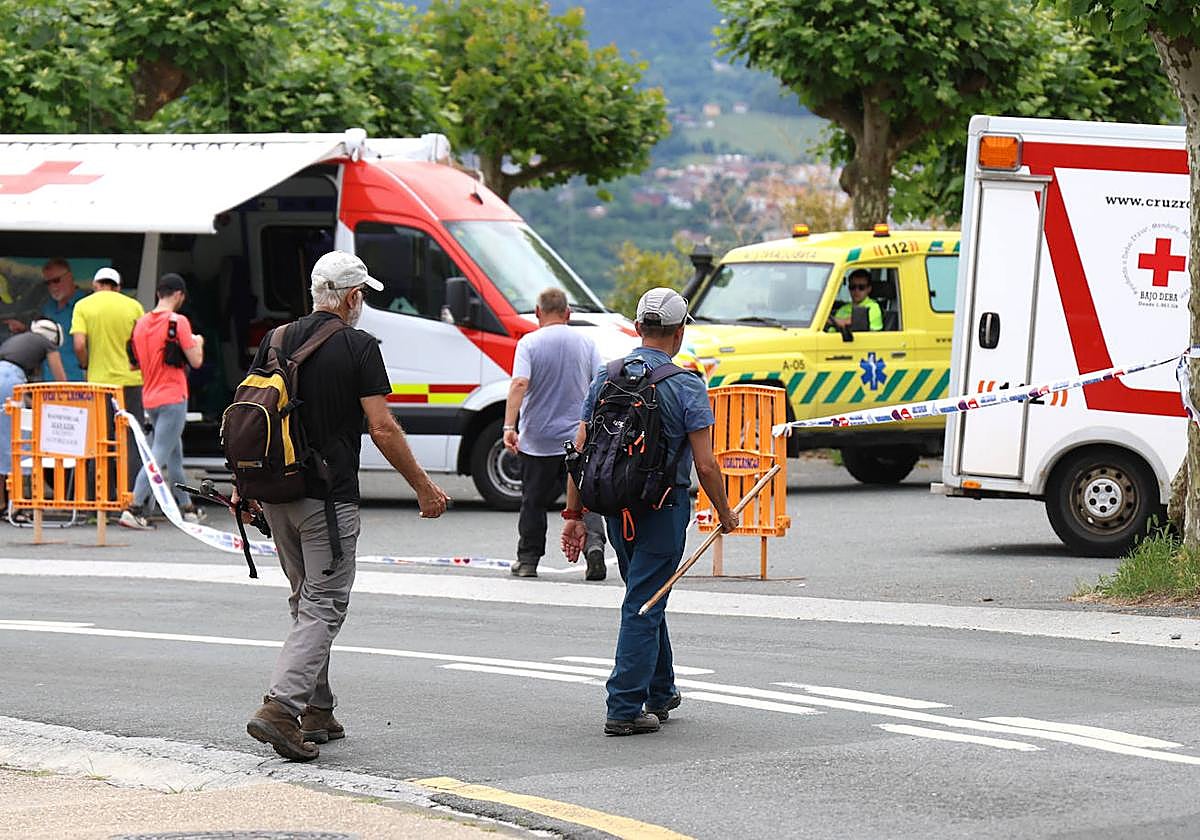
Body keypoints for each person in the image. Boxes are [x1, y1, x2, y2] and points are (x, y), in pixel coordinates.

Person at [243, 250, 450, 762]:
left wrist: (246, 490)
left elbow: (251, 413)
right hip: (326, 500)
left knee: (304, 602)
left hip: (276, 495)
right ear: (353, 298)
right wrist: (423, 486)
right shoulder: (359, 347)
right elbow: (381, 427)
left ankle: (318, 709)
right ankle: (281, 709)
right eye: (363, 297)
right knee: (324, 605)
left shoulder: (274, 340)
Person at [561, 287, 738, 737]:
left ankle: (661, 691)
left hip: (617, 506)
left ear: (639, 328)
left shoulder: (606, 378)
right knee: (644, 601)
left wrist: (574, 514)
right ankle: (623, 706)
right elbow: (706, 463)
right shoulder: (686, 385)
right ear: (679, 333)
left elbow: (579, 450)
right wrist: (726, 512)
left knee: (646, 594)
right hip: (662, 508)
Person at [503, 287, 608, 580]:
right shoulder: (586, 342)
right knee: (585, 498)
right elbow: (600, 384)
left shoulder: (529, 343)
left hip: (537, 440)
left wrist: (509, 426)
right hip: (577, 438)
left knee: (533, 502)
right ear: (568, 313)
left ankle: (528, 560)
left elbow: (519, 384)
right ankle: (594, 549)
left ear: (538, 312)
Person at [120, 273, 206, 530]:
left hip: (150, 397)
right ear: (179, 295)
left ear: (158, 293)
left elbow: (133, 362)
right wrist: (198, 342)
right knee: (157, 456)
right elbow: (196, 361)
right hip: (173, 397)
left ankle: (186, 507)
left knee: (173, 454)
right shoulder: (178, 322)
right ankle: (135, 508)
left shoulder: (141, 323)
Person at [70, 266, 145, 492]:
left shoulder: (83, 306)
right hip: (131, 381)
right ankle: (131, 496)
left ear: (95, 285)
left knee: (99, 439)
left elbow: (80, 344)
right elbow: (140, 344)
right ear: (118, 287)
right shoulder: (133, 306)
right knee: (131, 439)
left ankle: (99, 498)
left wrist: (85, 363)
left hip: (99, 383)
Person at [0, 320, 68, 512]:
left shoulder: (17, 341)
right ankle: (17, 505)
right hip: (11, 382)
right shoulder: (46, 343)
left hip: (4, 379)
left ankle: (2, 503)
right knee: (19, 441)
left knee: (2, 440)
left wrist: (36, 405)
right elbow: (61, 379)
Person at [4, 259, 89, 381]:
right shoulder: (47, 307)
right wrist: (24, 330)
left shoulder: (85, 305)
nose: (53, 286)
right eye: (48, 283)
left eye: (56, 280)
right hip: (48, 383)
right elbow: (44, 337)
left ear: (69, 277)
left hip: (78, 381)